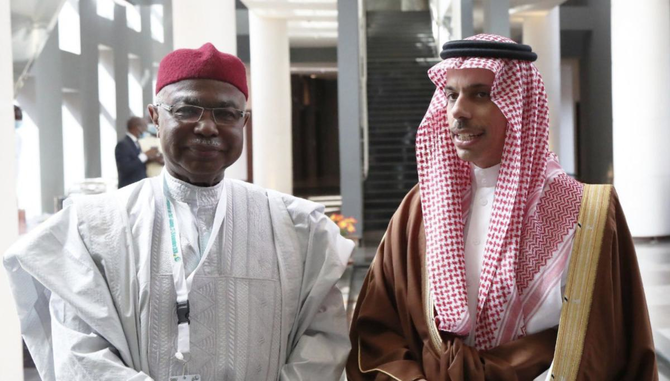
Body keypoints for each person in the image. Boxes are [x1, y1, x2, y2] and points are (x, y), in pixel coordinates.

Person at [5, 43, 354, 380]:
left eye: (226, 113)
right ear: (155, 117)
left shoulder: (294, 226)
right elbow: (78, 351)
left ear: (243, 123)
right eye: (187, 110)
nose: (206, 127)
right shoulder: (93, 227)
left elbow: (322, 338)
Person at [347, 34, 658, 380]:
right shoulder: (419, 209)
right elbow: (377, 329)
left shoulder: (587, 212)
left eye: (480, 94)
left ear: (520, 105)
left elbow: (610, 343)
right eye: (451, 95)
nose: (458, 112)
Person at [115, 116, 162, 188]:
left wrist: (151, 158)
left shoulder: (135, 142)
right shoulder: (123, 144)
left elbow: (137, 163)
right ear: (138, 127)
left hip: (138, 187)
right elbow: (125, 168)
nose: (146, 130)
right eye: (145, 126)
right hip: (129, 188)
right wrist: (145, 155)